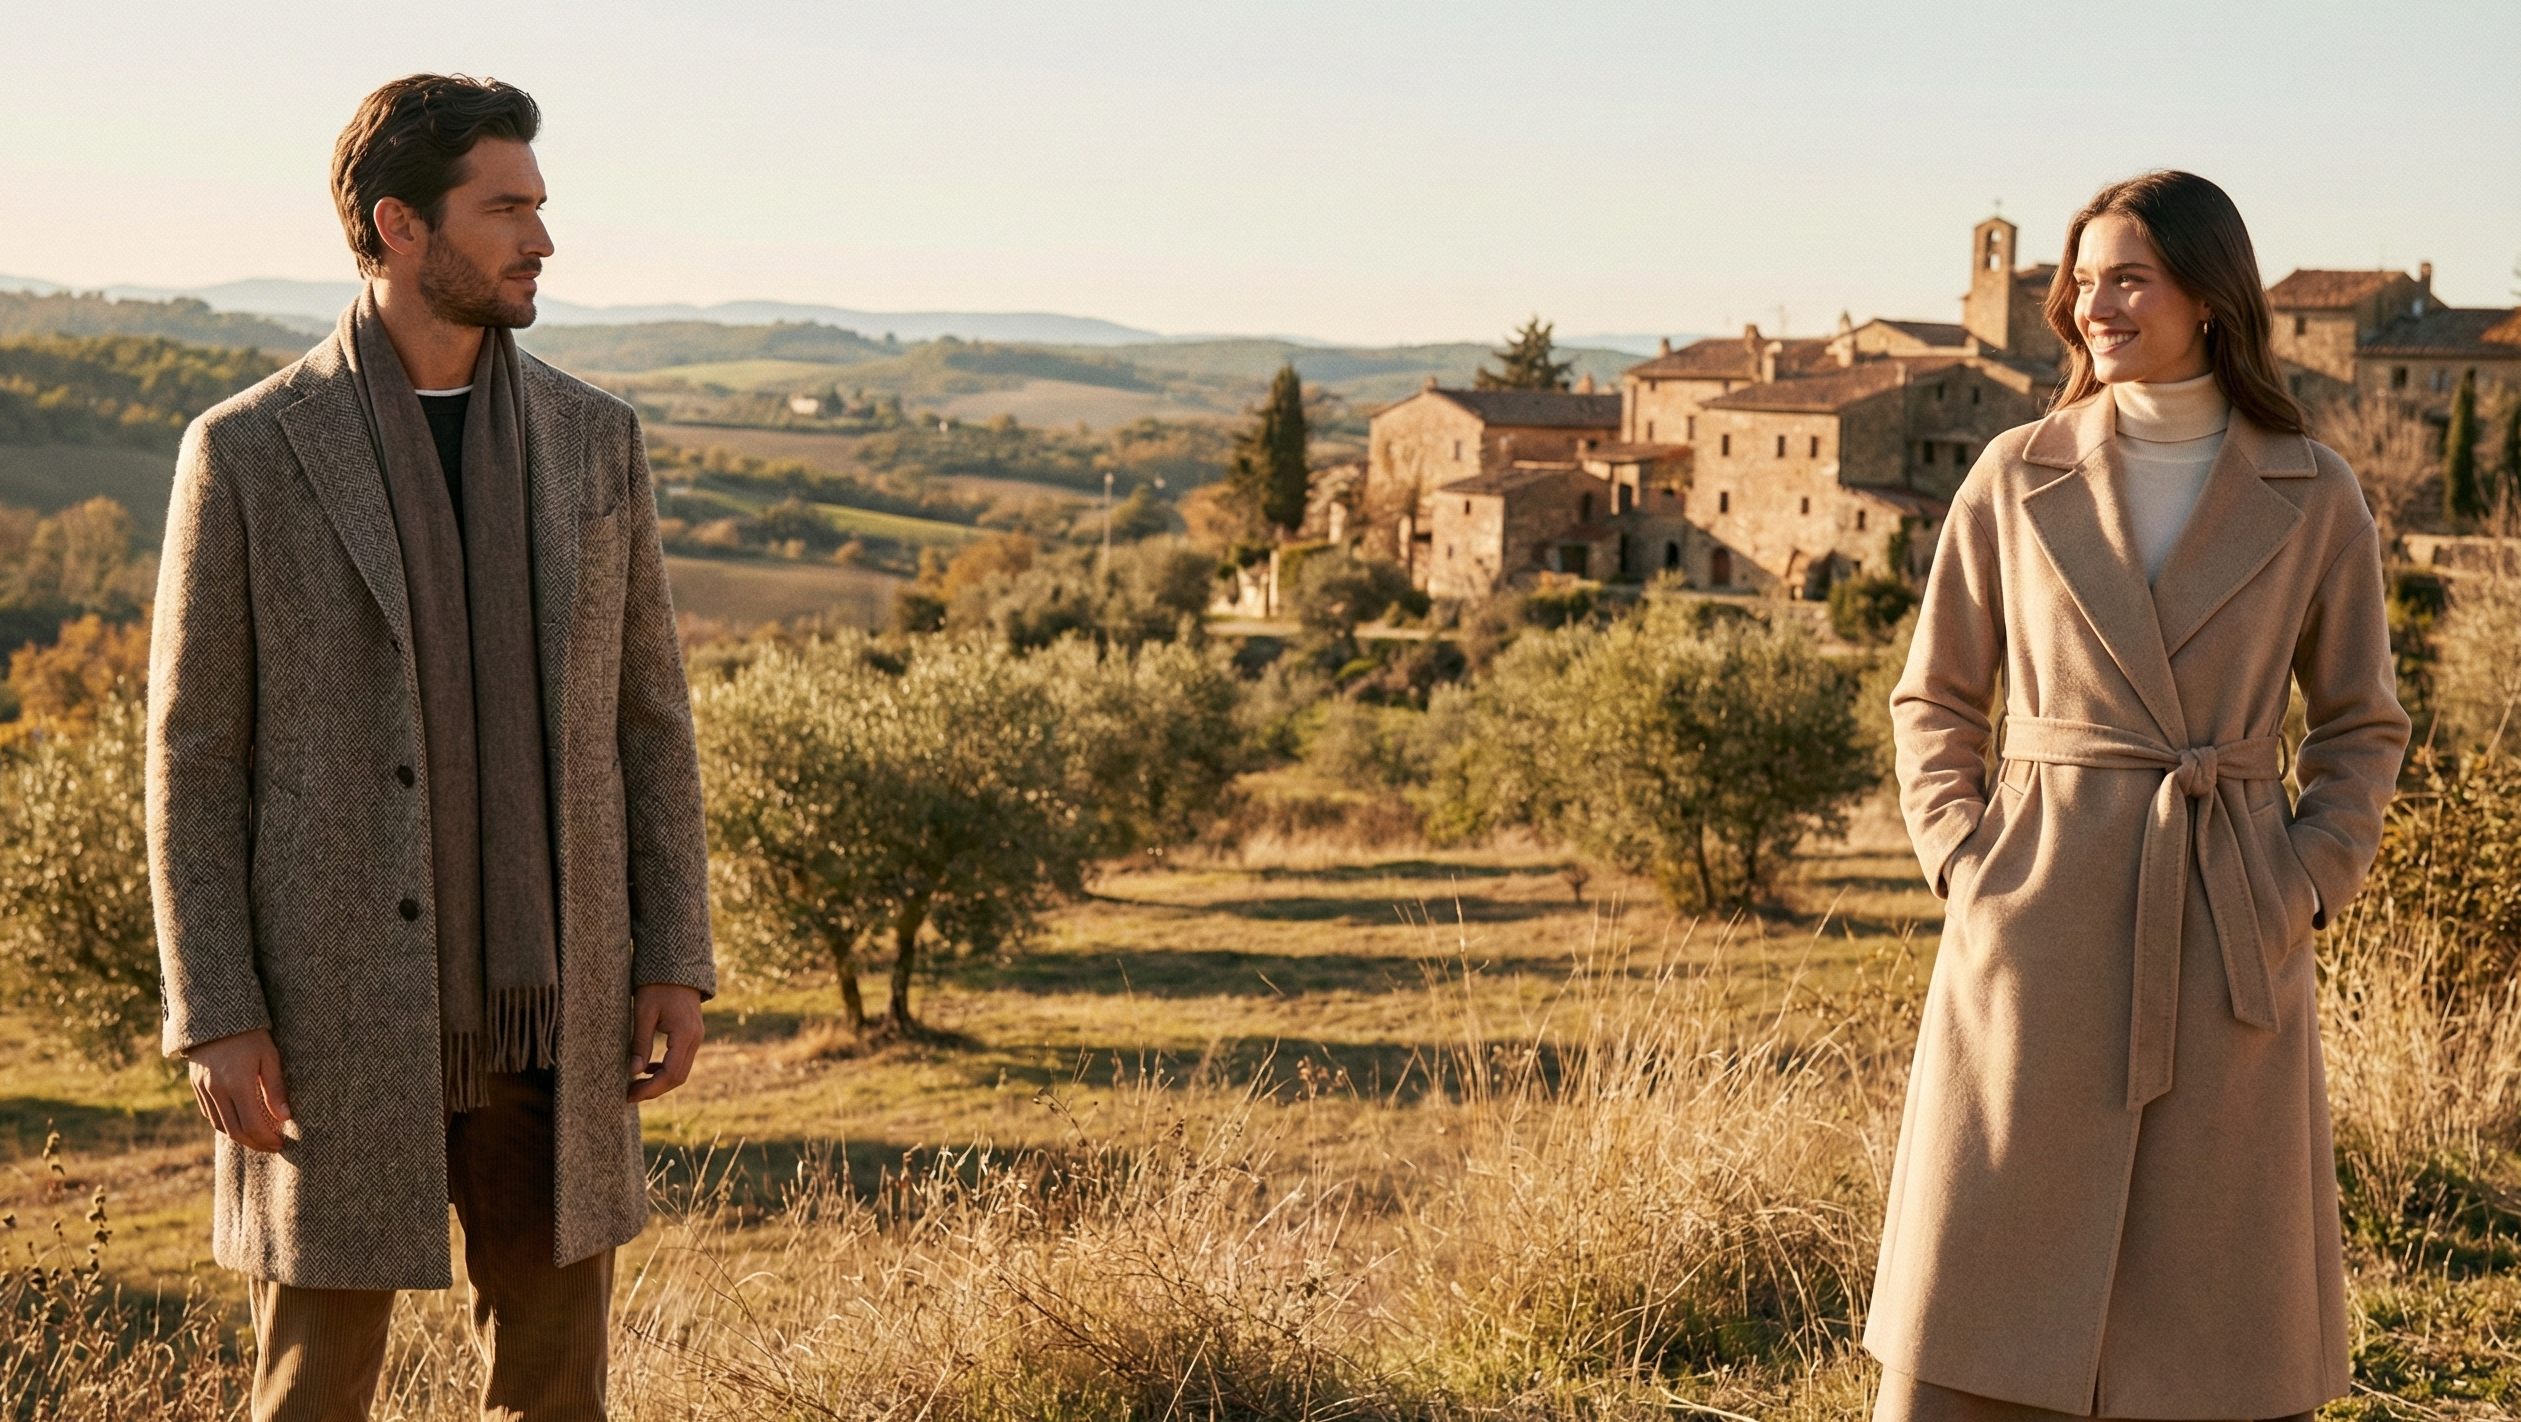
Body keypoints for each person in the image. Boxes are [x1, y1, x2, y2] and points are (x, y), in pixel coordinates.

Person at [147, 74, 714, 1421]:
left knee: (559, 1392)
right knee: (312, 1393)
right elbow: (193, 754)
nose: (541, 240)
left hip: (556, 1006)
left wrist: (673, 957)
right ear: (399, 225)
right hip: (330, 1018)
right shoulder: (247, 450)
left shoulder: (595, 440)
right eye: (505, 208)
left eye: (539, 205)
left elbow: (649, 721)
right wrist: (214, 1008)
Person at [1866, 171, 2408, 1421]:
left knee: (2208, 1292)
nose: (2091, 305)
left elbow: (2360, 726)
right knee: (1986, 1273)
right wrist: (1965, 861)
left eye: (2128, 278)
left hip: (2227, 916)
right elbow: (1933, 696)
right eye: (2082, 280)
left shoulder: (2314, 490)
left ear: (2208, 297)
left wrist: (2300, 884)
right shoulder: (2013, 472)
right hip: (2035, 914)